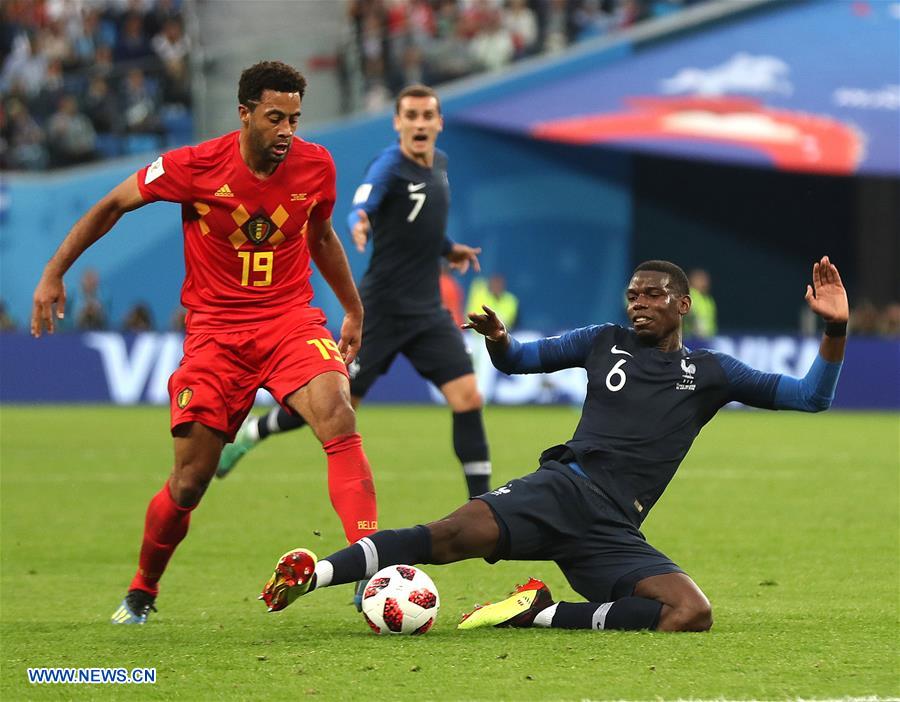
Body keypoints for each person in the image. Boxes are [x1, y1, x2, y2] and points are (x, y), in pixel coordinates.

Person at [258, 256, 848, 633]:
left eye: (653, 295)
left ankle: (538, 613)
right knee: (446, 537)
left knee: (690, 612)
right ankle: (317, 574)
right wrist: (498, 340)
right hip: (564, 490)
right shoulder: (603, 341)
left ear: (683, 304)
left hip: (615, 530)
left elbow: (810, 397)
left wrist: (835, 329)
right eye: (633, 295)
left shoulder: (713, 372)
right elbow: (518, 361)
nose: (639, 303)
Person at [31, 61, 378, 625]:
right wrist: (54, 271)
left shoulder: (317, 166)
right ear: (244, 114)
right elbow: (113, 204)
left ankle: (373, 568)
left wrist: (353, 308)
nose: (287, 130)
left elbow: (319, 235)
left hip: (290, 319)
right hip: (216, 334)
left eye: (294, 118)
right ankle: (143, 588)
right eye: (274, 118)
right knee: (190, 481)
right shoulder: (194, 167)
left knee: (339, 414)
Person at [216, 85, 492, 502]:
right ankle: (256, 429)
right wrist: (359, 221)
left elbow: (422, 224)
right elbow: (363, 203)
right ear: (398, 123)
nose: (419, 124)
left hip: (428, 313)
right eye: (411, 116)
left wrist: (448, 247)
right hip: (380, 310)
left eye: (426, 116)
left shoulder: (440, 164)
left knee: (468, 397)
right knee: (336, 408)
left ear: (439, 122)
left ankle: (483, 507)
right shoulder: (389, 165)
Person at [684, 268, 717, 339]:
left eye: (705, 280)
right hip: (692, 339)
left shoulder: (708, 299)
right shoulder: (689, 295)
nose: (704, 282)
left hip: (707, 339)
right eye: (701, 280)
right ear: (692, 280)